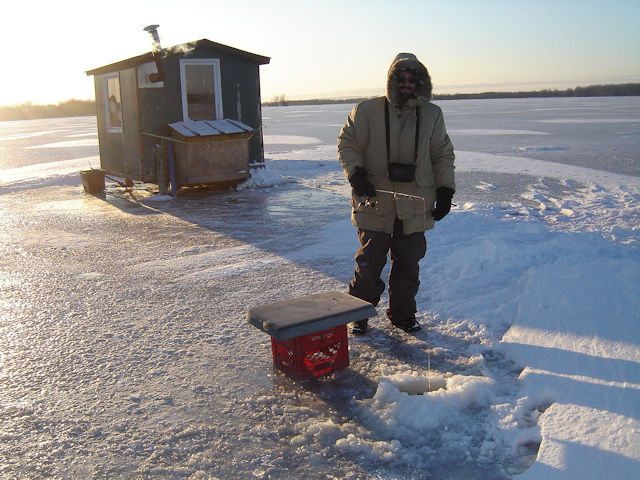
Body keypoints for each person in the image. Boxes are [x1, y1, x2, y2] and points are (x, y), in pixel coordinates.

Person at [338, 52, 455, 334]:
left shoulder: (432, 114)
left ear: (421, 82)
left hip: (415, 205)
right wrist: (355, 173)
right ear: (392, 80)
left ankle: (403, 315)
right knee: (369, 264)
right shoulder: (367, 111)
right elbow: (347, 142)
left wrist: (446, 189)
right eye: (400, 78)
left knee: (408, 265)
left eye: (412, 79)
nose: (406, 83)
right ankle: (359, 313)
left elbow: (442, 154)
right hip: (374, 201)